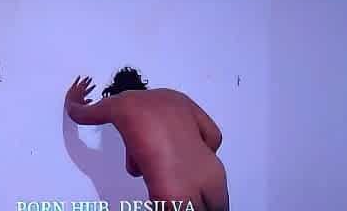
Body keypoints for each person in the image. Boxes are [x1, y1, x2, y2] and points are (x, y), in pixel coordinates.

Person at [64, 68, 229, 211]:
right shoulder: (175, 96)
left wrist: (71, 99)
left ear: (115, 91)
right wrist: (190, 161)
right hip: (214, 181)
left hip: (173, 195)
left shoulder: (119, 102)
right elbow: (215, 136)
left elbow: (78, 114)